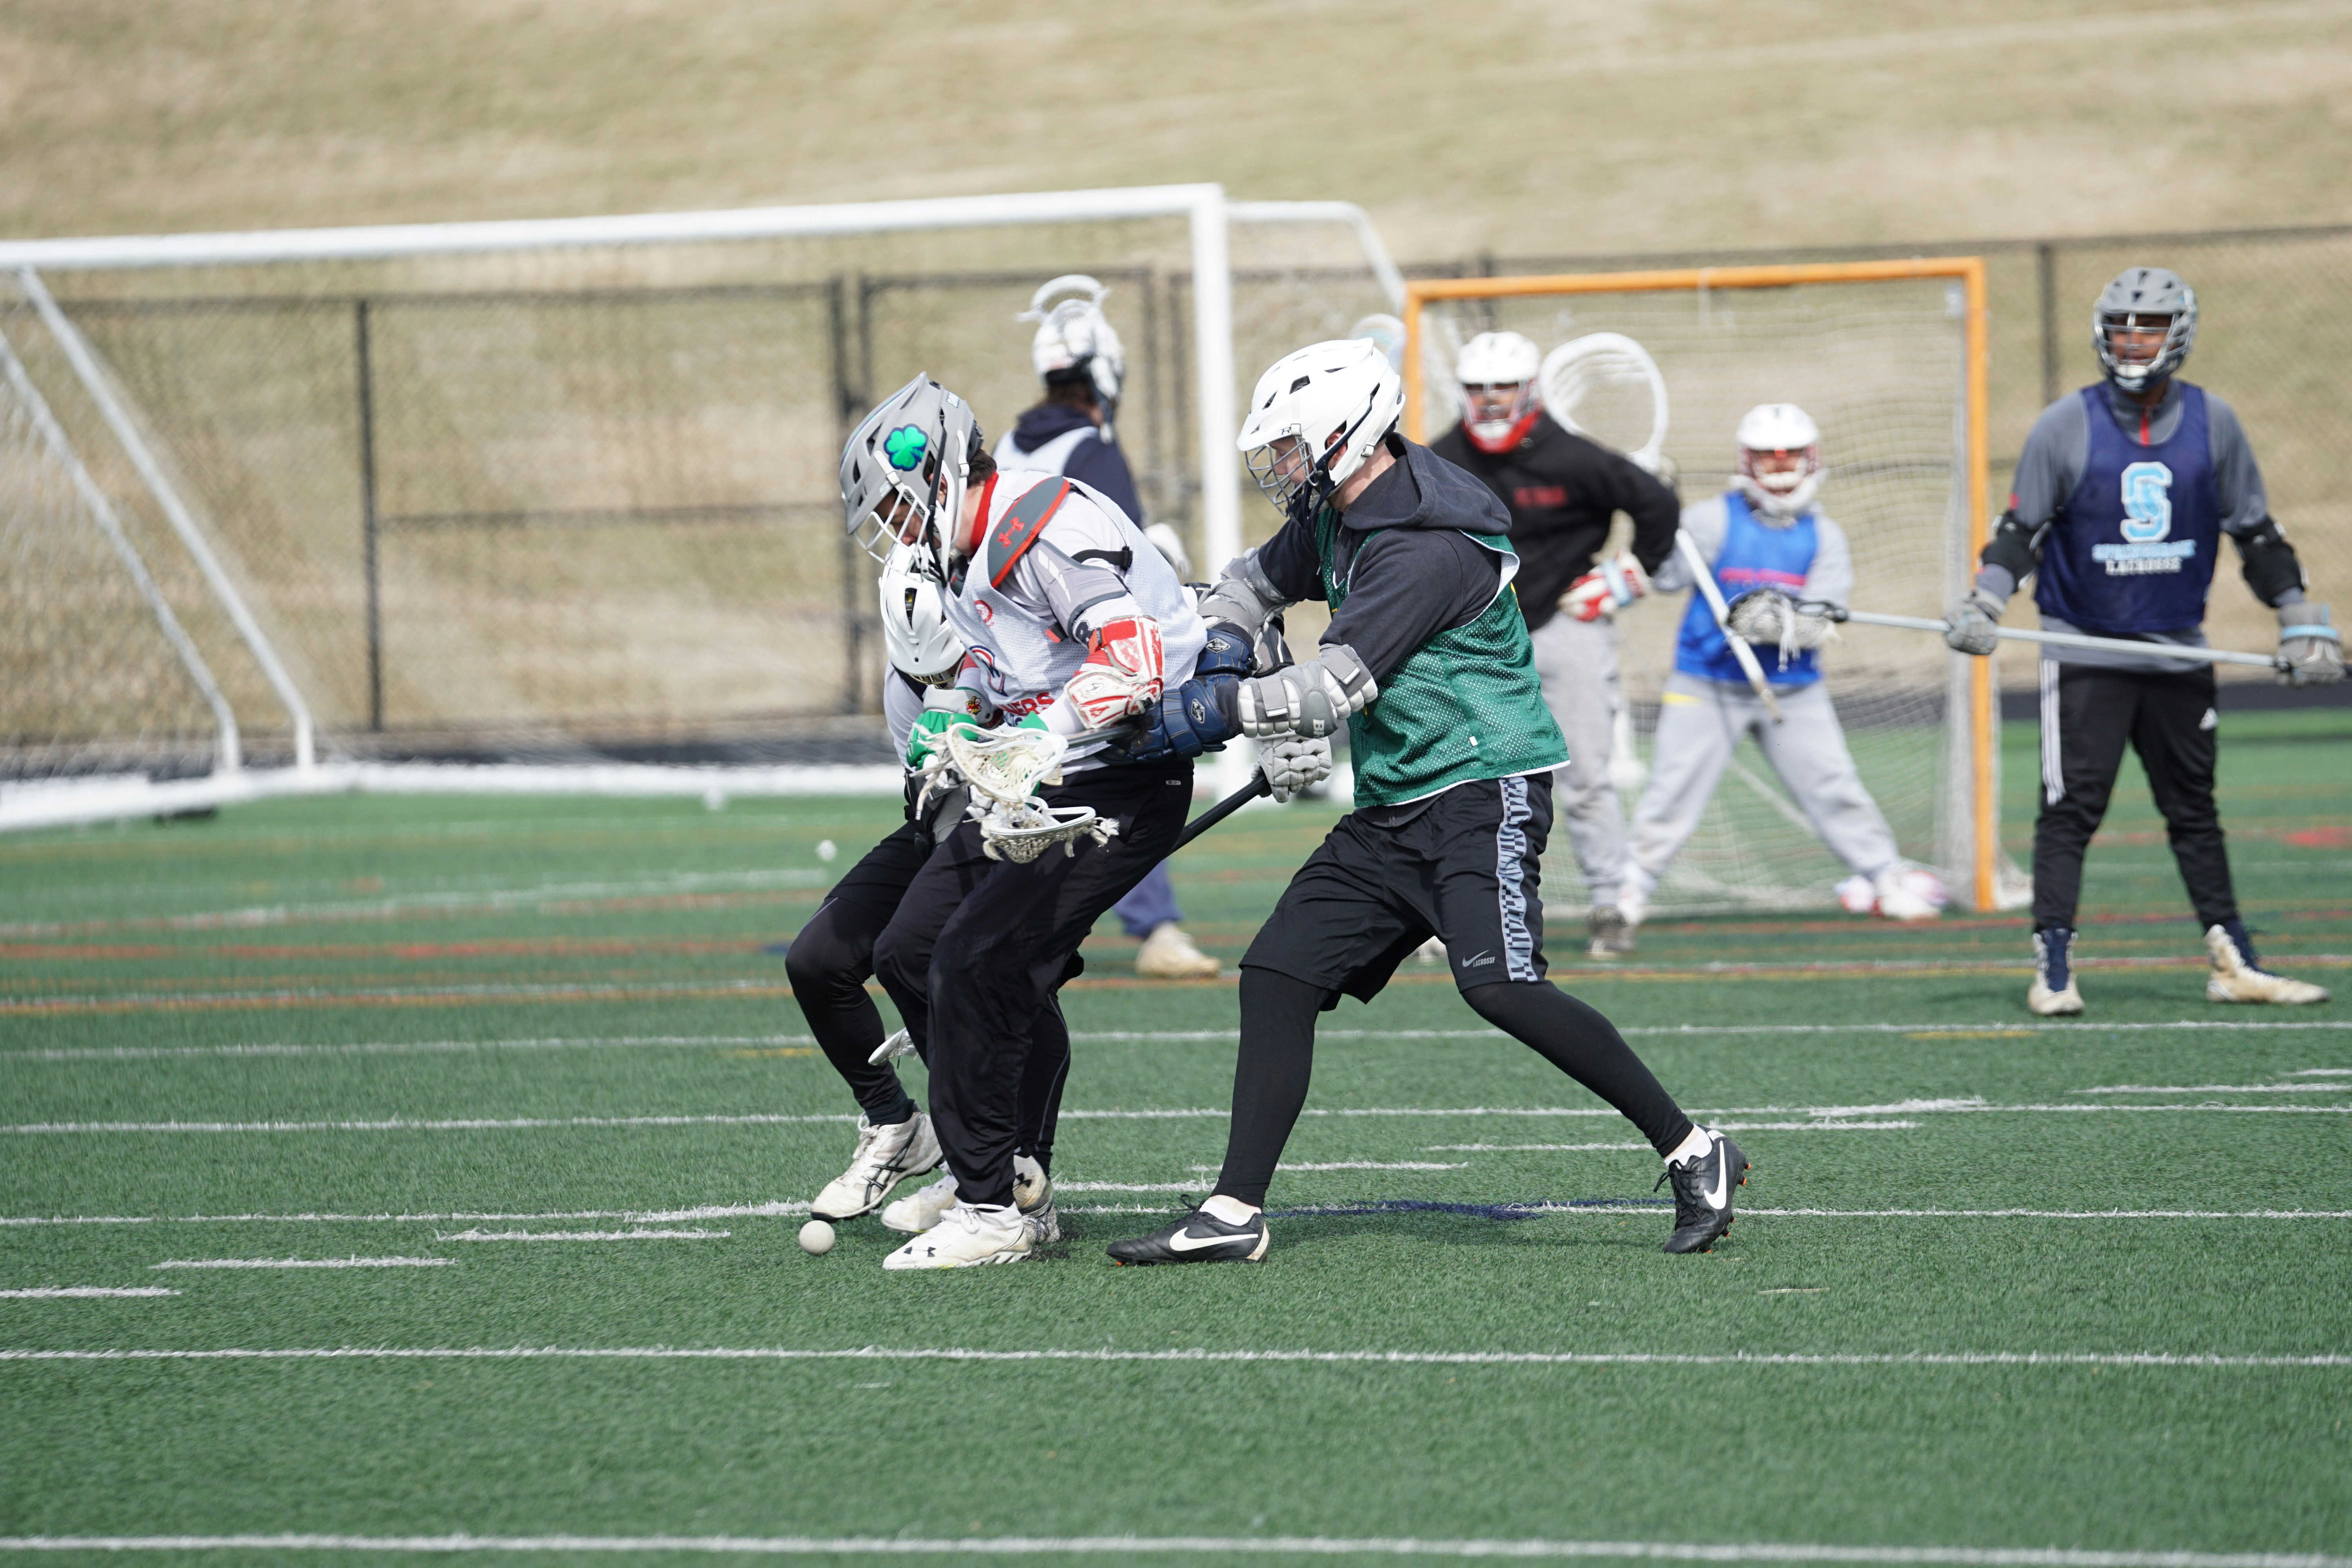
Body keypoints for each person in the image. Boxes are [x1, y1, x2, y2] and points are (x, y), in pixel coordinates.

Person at [1103, 339, 1746, 1267]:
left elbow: (1332, 691)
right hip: (1398, 796)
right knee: (1278, 973)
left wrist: (1204, 713)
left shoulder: (1426, 541)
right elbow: (1246, 586)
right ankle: (1234, 1211)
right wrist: (1225, 655)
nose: (1280, 466)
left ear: (1345, 435)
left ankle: (1694, 1150)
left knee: (1500, 987)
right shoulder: (1338, 505)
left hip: (1483, 785)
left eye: (1290, 446)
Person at [1944, 266, 2340, 1014]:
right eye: (2122, 327)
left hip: (2178, 647)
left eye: (2148, 326)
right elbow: (2018, 534)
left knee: (2194, 808)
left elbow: (2256, 534)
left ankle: (2233, 959)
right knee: (2072, 809)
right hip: (2087, 648)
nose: (2133, 341)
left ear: (2178, 333)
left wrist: (2300, 620)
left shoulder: (2214, 422)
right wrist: (1985, 602)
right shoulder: (2065, 424)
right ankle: (2054, 963)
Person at [787, 542, 1065, 1234]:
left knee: (998, 976)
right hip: (950, 833)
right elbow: (936, 825)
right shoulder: (904, 686)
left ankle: (1017, 1162)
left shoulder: (1024, 655)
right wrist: (939, 770)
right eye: (925, 670)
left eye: (950, 664)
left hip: (1034, 829)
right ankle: (896, 1125)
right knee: (818, 960)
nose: (937, 680)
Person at [1619, 404, 1947, 934]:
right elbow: (1668, 577)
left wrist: (1769, 621)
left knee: (1834, 786)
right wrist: (1657, 514)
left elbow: (1821, 623)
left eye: (1790, 455)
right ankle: (1628, 890)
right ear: (1746, 463)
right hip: (1706, 682)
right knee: (1672, 793)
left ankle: (1885, 877)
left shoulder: (1826, 537)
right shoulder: (1709, 518)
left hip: (1792, 690)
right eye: (1767, 457)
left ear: (1810, 458)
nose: (1779, 466)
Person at [995, 274, 1221, 981]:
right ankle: (1155, 928)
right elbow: (1119, 553)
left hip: (1011, 646)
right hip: (1081, 646)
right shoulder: (1090, 446)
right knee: (1129, 772)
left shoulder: (1005, 442)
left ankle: (1015, 918)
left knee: (1032, 785)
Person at [1430, 330, 1681, 956]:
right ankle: (1438, 912)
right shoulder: (1437, 460)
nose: (1489, 400)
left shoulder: (1572, 458)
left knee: (1588, 774)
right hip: (1475, 637)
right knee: (1457, 776)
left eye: (1502, 386)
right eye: (1477, 388)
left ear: (1530, 389)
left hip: (1565, 628)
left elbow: (1656, 505)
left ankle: (1609, 902)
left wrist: (1626, 576)